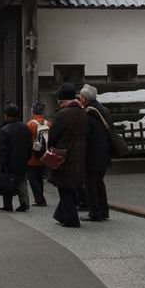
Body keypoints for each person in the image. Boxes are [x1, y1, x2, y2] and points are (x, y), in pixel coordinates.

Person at [47, 83, 89, 228]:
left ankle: (71, 219)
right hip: (80, 156)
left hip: (64, 157)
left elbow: (52, 137)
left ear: (62, 99)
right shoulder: (83, 112)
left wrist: (50, 149)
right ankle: (62, 215)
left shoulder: (62, 114)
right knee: (70, 187)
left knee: (64, 188)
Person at [80, 84, 112, 221]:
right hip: (104, 153)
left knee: (90, 184)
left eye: (81, 96)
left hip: (92, 155)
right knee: (99, 182)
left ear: (85, 98)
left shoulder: (89, 113)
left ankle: (94, 212)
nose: (79, 98)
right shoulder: (103, 110)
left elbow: (85, 136)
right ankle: (104, 210)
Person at [0, 104, 32, 212]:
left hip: (10, 162)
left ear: (6, 115)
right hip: (22, 160)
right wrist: (28, 157)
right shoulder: (25, 127)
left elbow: (4, 150)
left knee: (8, 182)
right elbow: (29, 145)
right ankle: (24, 202)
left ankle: (8, 204)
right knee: (21, 181)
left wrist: (3, 164)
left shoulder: (4, 130)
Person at [26, 102, 51, 207]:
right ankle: (39, 198)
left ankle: (39, 199)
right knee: (40, 178)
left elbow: (27, 140)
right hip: (45, 155)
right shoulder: (48, 124)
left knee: (32, 178)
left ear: (33, 111)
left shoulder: (30, 124)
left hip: (33, 156)